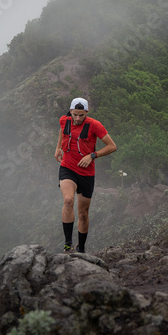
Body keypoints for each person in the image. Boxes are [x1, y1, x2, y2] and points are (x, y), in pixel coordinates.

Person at [54, 97, 117, 253]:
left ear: (87, 113)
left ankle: (81, 248)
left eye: (81, 115)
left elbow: (112, 146)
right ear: (70, 111)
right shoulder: (64, 120)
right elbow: (62, 130)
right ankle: (68, 244)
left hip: (86, 173)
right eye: (75, 114)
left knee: (83, 214)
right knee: (68, 200)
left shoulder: (95, 125)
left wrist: (93, 156)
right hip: (67, 167)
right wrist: (58, 148)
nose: (77, 118)